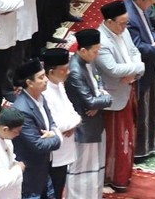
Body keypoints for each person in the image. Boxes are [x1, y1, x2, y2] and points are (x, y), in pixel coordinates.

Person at [96, 0, 145, 192]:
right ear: (109, 22)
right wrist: (137, 67)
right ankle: (109, 177)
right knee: (114, 140)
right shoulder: (101, 39)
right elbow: (113, 69)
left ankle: (122, 174)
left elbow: (134, 51)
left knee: (128, 135)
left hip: (128, 88)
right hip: (113, 97)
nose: (126, 27)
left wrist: (136, 69)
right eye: (122, 23)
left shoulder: (122, 31)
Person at [64, 29, 113, 199]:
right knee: (81, 172)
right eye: (95, 51)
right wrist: (105, 99)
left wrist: (101, 99)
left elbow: (101, 85)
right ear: (83, 50)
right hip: (83, 127)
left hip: (95, 122)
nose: (97, 54)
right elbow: (90, 102)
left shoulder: (89, 62)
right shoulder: (76, 71)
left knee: (95, 168)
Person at [124, 0, 155, 159]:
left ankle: (149, 146)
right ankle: (139, 151)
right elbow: (136, 47)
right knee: (141, 111)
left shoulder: (141, 9)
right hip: (140, 69)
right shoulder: (130, 17)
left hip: (150, 66)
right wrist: (154, 49)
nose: (154, 2)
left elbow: (151, 28)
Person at [11, 58, 63, 198]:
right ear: (29, 83)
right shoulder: (22, 109)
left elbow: (52, 122)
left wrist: (53, 132)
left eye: (44, 75)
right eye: (41, 77)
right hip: (31, 170)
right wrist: (57, 138)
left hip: (43, 167)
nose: (46, 79)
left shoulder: (41, 97)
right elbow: (38, 145)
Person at [41, 48, 81, 199]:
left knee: (59, 189)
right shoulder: (45, 92)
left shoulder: (59, 85)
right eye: (64, 69)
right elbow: (57, 124)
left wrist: (74, 123)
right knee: (52, 191)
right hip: (54, 153)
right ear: (51, 72)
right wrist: (72, 123)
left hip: (66, 147)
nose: (68, 72)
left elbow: (73, 113)